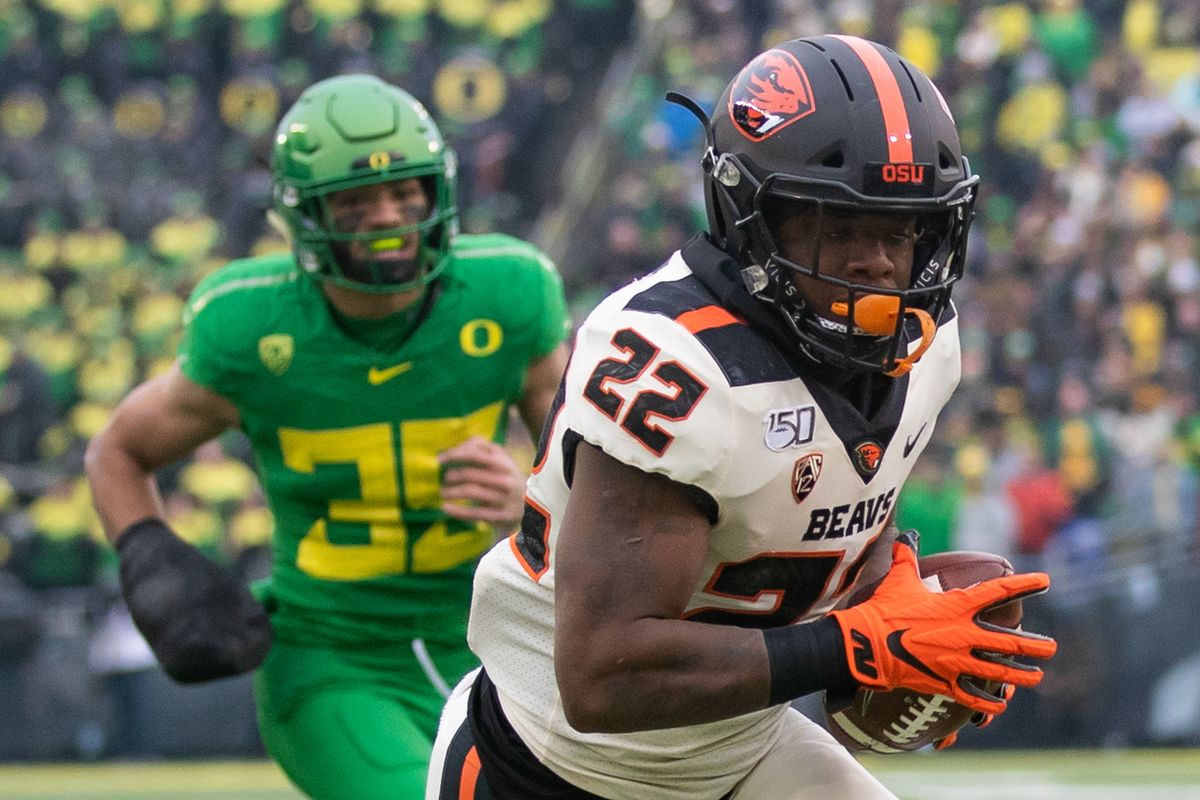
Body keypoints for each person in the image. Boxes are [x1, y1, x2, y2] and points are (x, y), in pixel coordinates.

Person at [426, 35, 1057, 800]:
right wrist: (853, 647)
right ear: (752, 216)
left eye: (900, 230)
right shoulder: (677, 364)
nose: (878, 264)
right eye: (839, 227)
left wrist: (898, 611)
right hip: (551, 768)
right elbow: (601, 676)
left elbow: (827, 511)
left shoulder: (929, 350)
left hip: (739, 750)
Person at [85, 74, 571, 800]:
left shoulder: (510, 292)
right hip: (335, 659)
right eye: (356, 200)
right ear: (307, 216)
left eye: (404, 191)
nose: (389, 216)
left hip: (493, 642)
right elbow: (116, 450)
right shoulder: (251, 325)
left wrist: (532, 502)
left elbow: (592, 472)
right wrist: (151, 558)